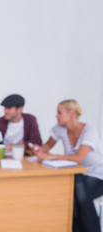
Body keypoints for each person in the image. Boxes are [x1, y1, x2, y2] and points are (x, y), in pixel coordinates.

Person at [33, 99, 103, 232]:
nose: (56, 116)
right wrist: (38, 150)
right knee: (70, 198)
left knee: (77, 199)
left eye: (59, 113)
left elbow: (79, 158)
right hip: (78, 174)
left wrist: (53, 156)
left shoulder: (89, 130)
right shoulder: (60, 128)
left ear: (72, 115)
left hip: (97, 174)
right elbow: (47, 146)